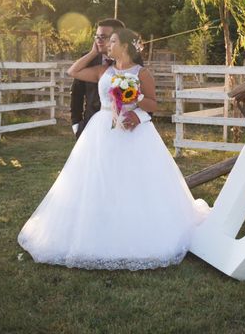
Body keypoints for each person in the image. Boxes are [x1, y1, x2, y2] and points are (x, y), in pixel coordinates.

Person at [18, 28, 208, 270]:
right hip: (102, 129)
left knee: (132, 181)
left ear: (126, 46)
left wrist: (137, 108)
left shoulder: (142, 73)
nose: (108, 44)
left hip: (133, 131)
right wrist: (92, 51)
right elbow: (73, 71)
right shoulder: (103, 70)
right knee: (98, 179)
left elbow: (153, 104)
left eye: (113, 41)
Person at [70, 18, 125, 139]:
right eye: (97, 36)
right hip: (91, 125)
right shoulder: (87, 59)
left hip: (124, 127)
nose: (99, 41)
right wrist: (76, 124)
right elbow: (76, 93)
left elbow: (144, 96)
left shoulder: (132, 62)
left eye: (104, 37)